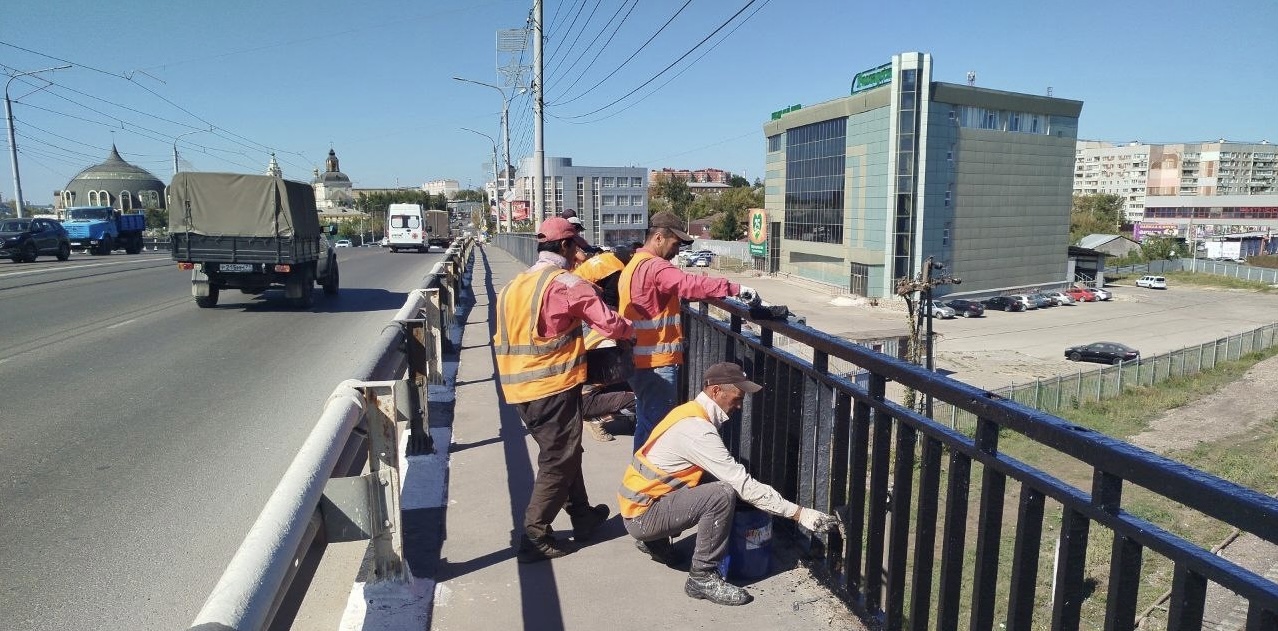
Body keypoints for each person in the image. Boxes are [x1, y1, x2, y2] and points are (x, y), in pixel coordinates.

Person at [617, 362, 841, 606]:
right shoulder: (698, 431)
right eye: (736, 398)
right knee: (721, 493)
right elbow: (741, 484)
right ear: (716, 392)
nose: (740, 405)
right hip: (643, 515)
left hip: (639, 505)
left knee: (712, 480)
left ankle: (655, 540)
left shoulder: (688, 411)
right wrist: (800, 513)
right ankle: (702, 577)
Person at [492, 217, 636, 563]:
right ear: (566, 247)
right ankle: (535, 534)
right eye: (577, 249)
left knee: (566, 452)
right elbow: (611, 325)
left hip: (520, 386)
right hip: (550, 386)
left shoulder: (517, 284)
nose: (580, 257)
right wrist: (635, 329)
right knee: (559, 459)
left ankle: (583, 515)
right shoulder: (566, 284)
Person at [619, 211, 759, 450]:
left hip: (638, 360)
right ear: (659, 238)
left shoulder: (635, 264)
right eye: (675, 244)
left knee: (647, 423)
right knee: (659, 431)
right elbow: (687, 285)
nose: (677, 252)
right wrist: (734, 288)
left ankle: (640, 478)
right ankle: (650, 485)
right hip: (655, 364)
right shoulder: (655, 266)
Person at [574, 245, 639, 442]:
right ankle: (595, 419)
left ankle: (600, 410)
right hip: (582, 400)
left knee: (629, 379)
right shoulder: (617, 272)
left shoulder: (608, 259)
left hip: (572, 392)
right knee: (641, 396)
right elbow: (610, 304)